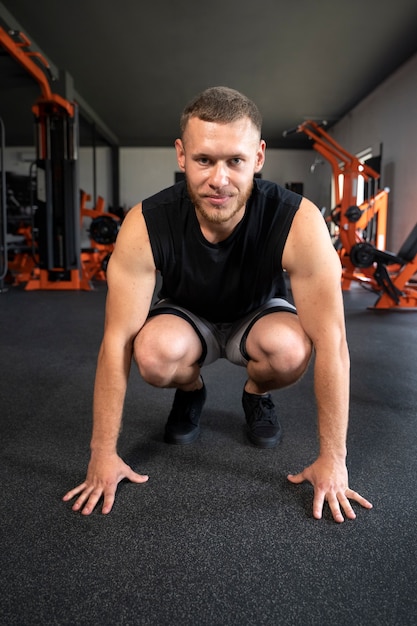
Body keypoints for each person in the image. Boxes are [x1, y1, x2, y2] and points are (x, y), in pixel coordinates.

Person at [63, 86, 373, 522]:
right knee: (150, 353)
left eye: (235, 161)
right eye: (204, 160)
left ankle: (255, 393)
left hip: (258, 315)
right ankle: (190, 392)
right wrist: (101, 453)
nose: (219, 179)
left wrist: (334, 461)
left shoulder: (297, 220)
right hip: (188, 316)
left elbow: (333, 341)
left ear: (259, 158)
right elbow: (116, 340)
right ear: (182, 155)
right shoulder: (146, 223)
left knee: (292, 349)